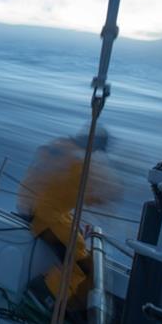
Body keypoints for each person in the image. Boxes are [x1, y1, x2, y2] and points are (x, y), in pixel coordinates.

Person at [17, 126, 121, 314]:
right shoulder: (79, 162)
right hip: (44, 216)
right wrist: (108, 195)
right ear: (94, 144)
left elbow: (56, 190)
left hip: (28, 205)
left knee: (76, 243)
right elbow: (90, 195)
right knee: (82, 265)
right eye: (97, 149)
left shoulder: (59, 145)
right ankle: (44, 294)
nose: (96, 153)